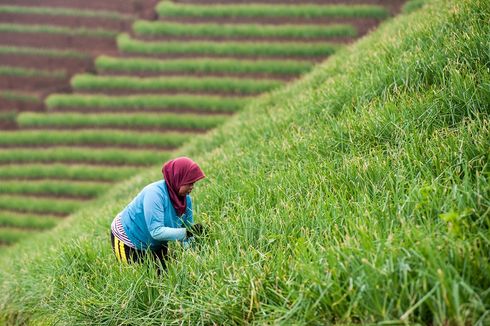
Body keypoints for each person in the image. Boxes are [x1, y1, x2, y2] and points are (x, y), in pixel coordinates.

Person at [110, 157, 206, 270]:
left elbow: (188, 230)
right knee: (138, 277)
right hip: (129, 238)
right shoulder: (154, 194)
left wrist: (195, 255)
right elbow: (156, 231)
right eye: (189, 183)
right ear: (178, 178)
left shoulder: (186, 200)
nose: (192, 187)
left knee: (163, 275)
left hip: (155, 243)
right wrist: (188, 232)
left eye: (193, 183)